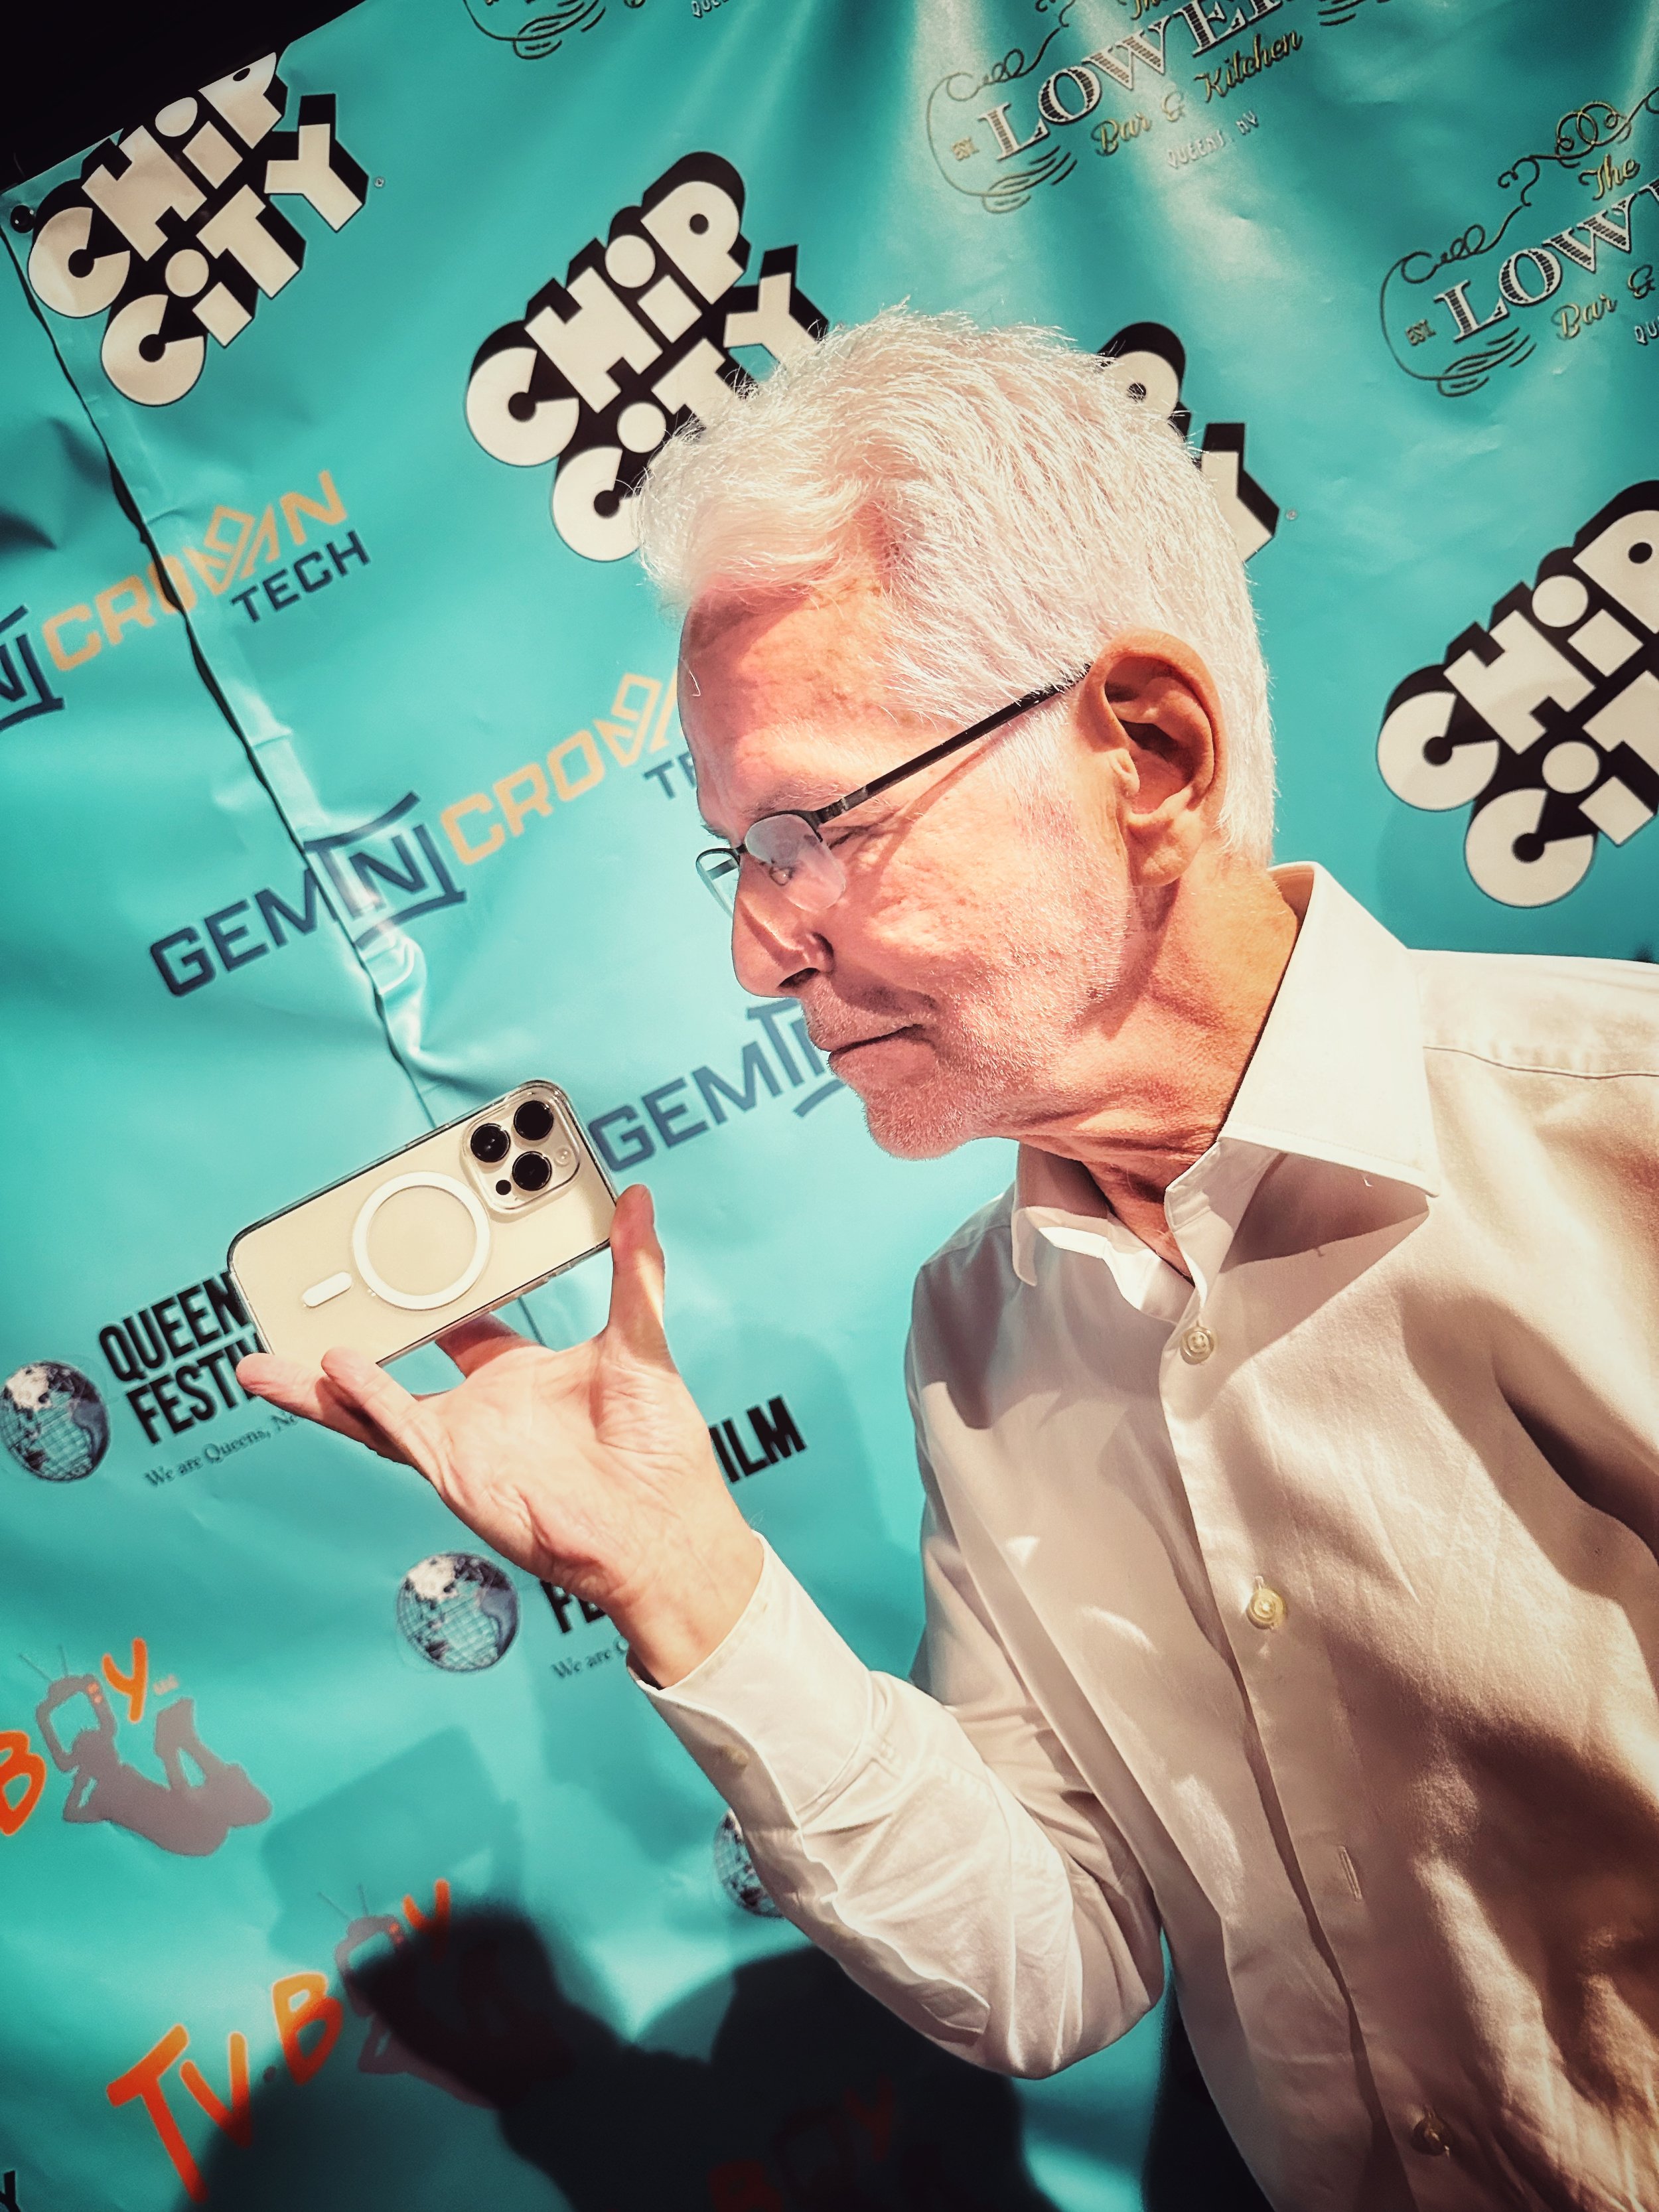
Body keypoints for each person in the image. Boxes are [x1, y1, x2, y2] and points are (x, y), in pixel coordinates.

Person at [241, 312, 1659, 2209]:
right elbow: (1053, 1960)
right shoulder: (976, 1331)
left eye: (810, 829)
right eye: (737, 857)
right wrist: (678, 1569)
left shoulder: (1620, 1147)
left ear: (1147, 753)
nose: (758, 953)